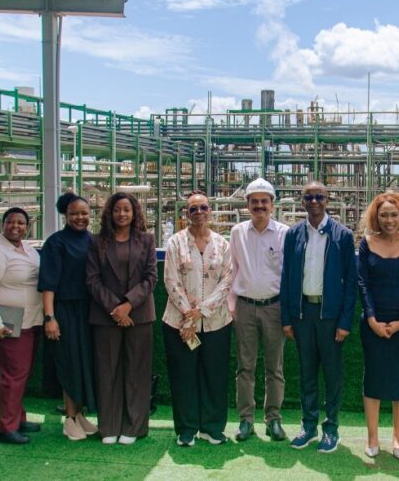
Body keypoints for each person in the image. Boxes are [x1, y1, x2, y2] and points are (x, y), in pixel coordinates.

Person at [279, 181, 357, 453]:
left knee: (333, 375)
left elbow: (351, 284)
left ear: (327, 200)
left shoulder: (342, 235)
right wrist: (287, 318)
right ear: (302, 202)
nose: (314, 202)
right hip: (303, 313)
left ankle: (331, 428)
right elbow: (287, 277)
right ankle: (309, 426)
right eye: (308, 197)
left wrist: (345, 322)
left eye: (319, 197)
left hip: (330, 316)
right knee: (307, 372)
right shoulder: (293, 235)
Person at [162, 191, 234, 447]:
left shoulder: (222, 244)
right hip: (179, 324)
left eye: (203, 207)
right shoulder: (175, 243)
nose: (199, 213)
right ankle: (186, 428)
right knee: (184, 376)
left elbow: (227, 281)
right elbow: (170, 280)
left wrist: (201, 311)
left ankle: (213, 427)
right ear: (186, 214)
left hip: (216, 322)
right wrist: (188, 316)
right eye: (194, 209)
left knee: (215, 375)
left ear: (210, 211)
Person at [86, 192, 157, 445]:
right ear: (110, 212)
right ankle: (109, 427)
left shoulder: (147, 240)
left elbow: (151, 277)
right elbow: (92, 280)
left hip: (139, 315)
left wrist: (128, 305)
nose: (122, 214)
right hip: (106, 318)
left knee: (137, 372)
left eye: (127, 209)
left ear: (134, 212)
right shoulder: (97, 242)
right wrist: (116, 308)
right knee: (108, 372)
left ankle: (134, 427)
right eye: (117, 209)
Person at [357, 191, 399, 459]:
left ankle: (398, 437)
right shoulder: (366, 243)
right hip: (373, 320)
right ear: (376, 216)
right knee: (373, 376)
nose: (389, 220)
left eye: (393, 215)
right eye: (383, 215)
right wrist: (371, 319)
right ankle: (372, 437)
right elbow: (362, 282)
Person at [0, 207, 43, 445]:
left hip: (31, 321)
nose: (16, 226)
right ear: (2, 224)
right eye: (11, 222)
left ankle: (17, 417)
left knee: (21, 374)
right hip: (8, 322)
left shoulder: (29, 250)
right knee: (13, 376)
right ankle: (5, 427)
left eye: (21, 223)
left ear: (28, 226)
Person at [229, 178, 289, 442]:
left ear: (272, 204)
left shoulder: (285, 233)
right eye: (255, 202)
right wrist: (232, 307)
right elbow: (232, 270)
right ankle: (246, 420)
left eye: (265, 201)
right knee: (245, 367)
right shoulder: (237, 232)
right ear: (247, 205)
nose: (260, 206)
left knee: (274, 367)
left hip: (274, 307)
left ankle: (273, 419)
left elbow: (288, 275)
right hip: (245, 307)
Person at [38, 193, 97, 441]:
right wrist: (49, 317)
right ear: (65, 215)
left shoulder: (94, 241)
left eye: (84, 213)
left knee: (85, 363)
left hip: (89, 311)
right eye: (74, 214)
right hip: (65, 310)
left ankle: (80, 414)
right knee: (70, 363)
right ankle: (70, 418)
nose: (79, 218)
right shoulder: (56, 242)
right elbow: (48, 283)